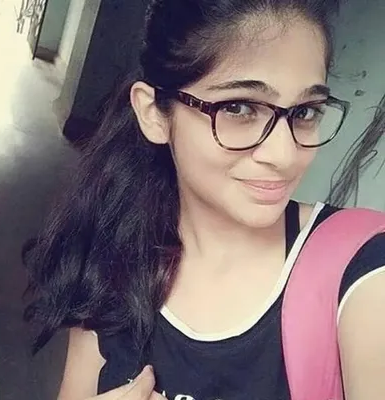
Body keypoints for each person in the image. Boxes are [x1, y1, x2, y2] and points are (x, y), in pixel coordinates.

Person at [23, 1, 385, 399]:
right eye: (239, 108)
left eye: (306, 111)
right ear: (153, 114)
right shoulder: (116, 253)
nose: (285, 155)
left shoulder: (364, 268)